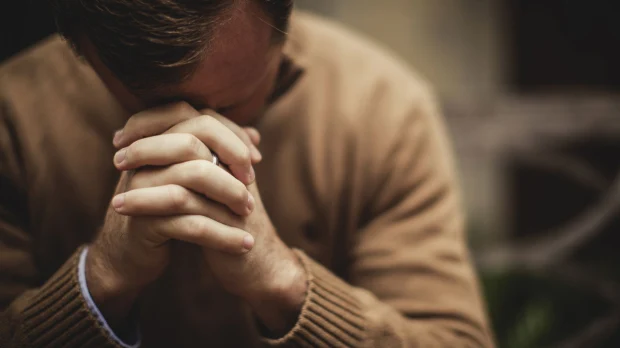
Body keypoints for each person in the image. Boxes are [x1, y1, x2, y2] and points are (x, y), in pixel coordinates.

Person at [0, 0, 494, 347]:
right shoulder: (13, 116)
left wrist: (284, 283)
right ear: (86, 51)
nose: (200, 134)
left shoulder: (383, 108)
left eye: (232, 102)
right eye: (153, 104)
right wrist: (101, 279)